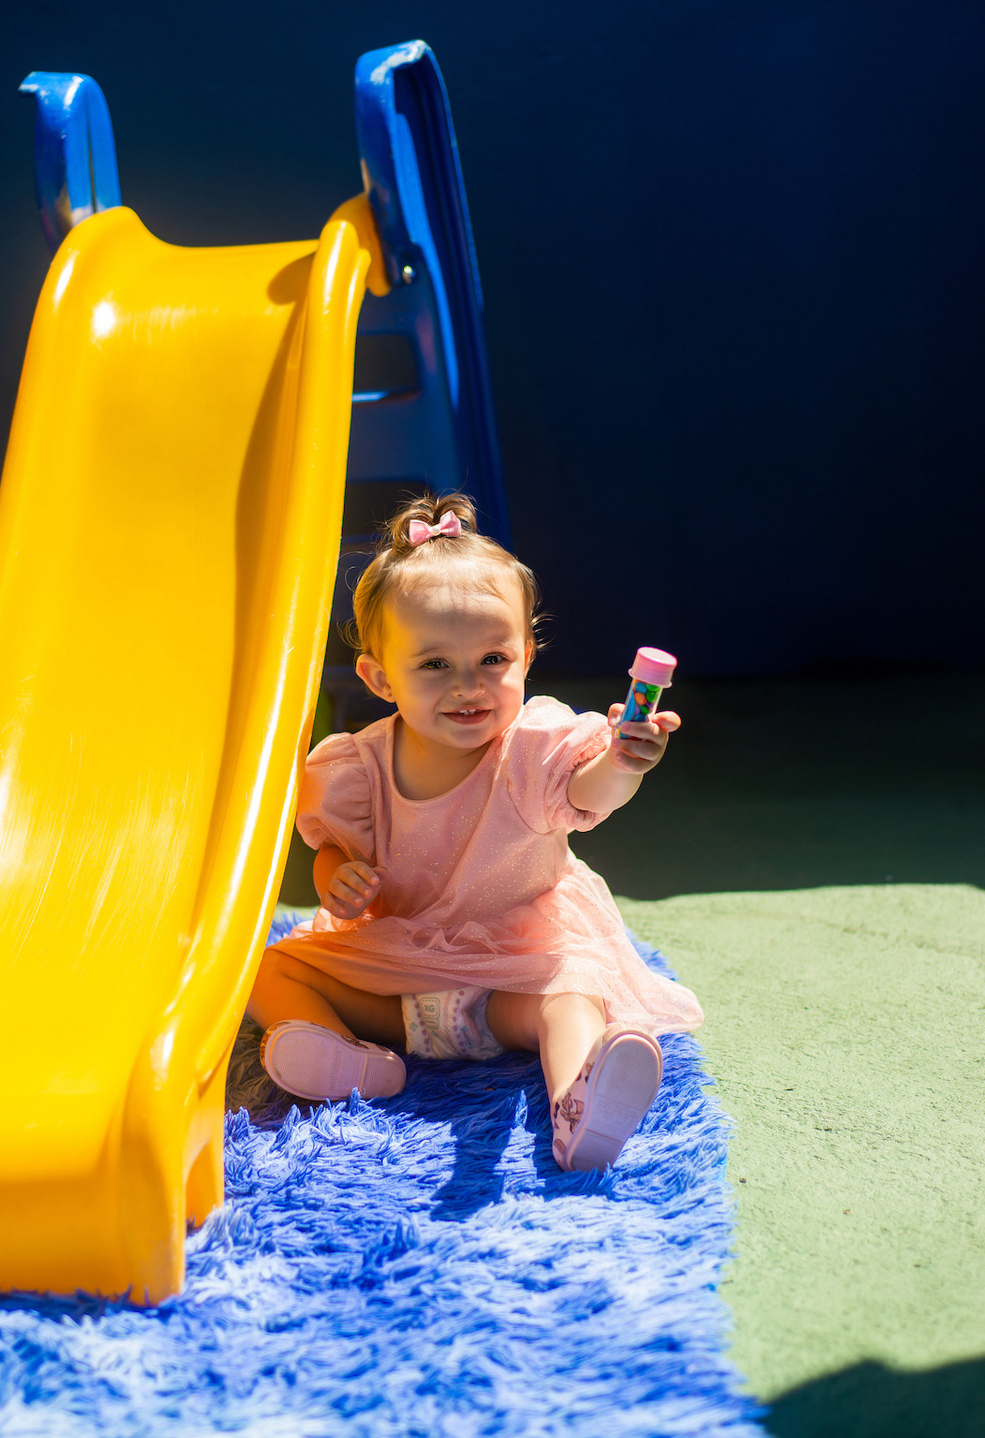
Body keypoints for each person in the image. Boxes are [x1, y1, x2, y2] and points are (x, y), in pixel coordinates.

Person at [247, 493, 703, 1171]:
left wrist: (623, 759)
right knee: (271, 964)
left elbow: (587, 791)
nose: (468, 685)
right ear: (379, 677)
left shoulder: (532, 746)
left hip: (513, 979)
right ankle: (345, 1055)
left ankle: (581, 1100)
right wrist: (335, 879)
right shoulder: (356, 765)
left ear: (525, 657)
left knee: (572, 993)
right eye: (434, 665)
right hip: (399, 982)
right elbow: (334, 848)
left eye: (493, 658)